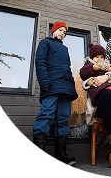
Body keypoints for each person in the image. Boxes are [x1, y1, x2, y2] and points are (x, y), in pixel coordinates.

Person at [33, 21, 78, 167]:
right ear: (54, 30)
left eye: (64, 32)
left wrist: (72, 88)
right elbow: (40, 62)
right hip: (51, 86)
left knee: (63, 119)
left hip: (66, 88)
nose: (62, 33)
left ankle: (61, 155)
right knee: (46, 115)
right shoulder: (45, 43)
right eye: (60, 30)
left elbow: (68, 69)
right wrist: (45, 83)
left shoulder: (65, 49)